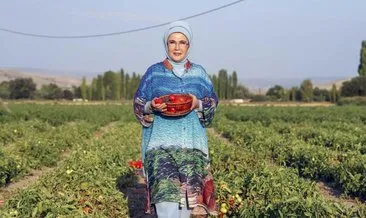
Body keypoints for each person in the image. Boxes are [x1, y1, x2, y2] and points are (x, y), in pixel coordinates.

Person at [133, 20, 218, 218]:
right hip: (160, 147)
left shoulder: (199, 73)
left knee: (185, 206)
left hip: (192, 147)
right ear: (166, 44)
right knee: (165, 203)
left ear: (189, 45)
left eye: (182, 42)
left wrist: (197, 103)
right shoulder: (154, 73)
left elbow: (212, 101)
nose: (177, 47)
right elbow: (138, 103)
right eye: (172, 42)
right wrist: (150, 106)